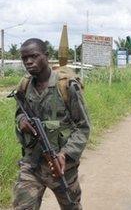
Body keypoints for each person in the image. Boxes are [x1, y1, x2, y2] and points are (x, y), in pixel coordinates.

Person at [13, 38, 90, 210]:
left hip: (62, 166)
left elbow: (83, 126)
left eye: (34, 56)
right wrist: (21, 122)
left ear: (46, 56)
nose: (29, 62)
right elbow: (19, 113)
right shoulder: (25, 85)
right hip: (32, 164)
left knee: (71, 206)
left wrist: (65, 154)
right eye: (24, 58)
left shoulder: (66, 85)